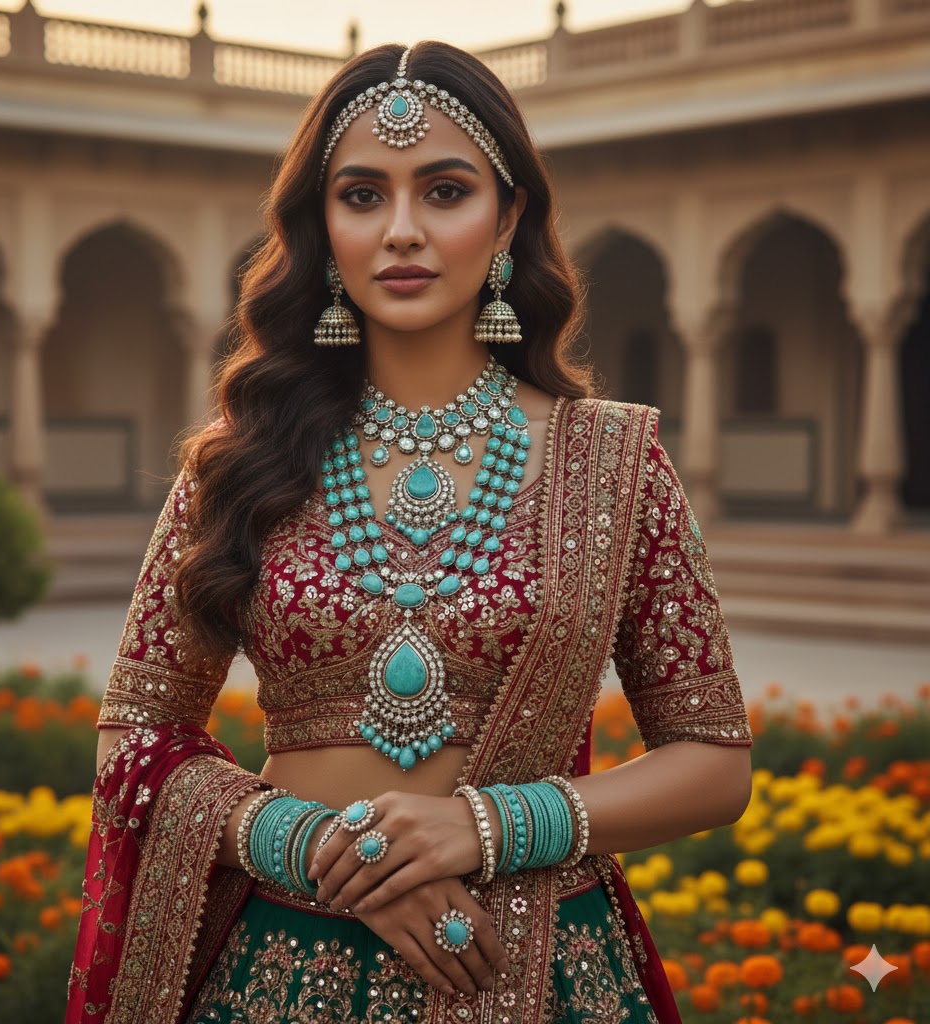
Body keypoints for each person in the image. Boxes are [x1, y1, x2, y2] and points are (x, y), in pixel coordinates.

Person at [66, 40, 754, 1024]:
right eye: (360, 196)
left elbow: (712, 758)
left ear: (508, 214)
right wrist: (308, 844)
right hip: (281, 966)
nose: (400, 232)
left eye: (442, 191)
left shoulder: (613, 461)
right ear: (322, 226)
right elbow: (136, 736)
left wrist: (486, 826)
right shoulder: (239, 462)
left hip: (542, 971)